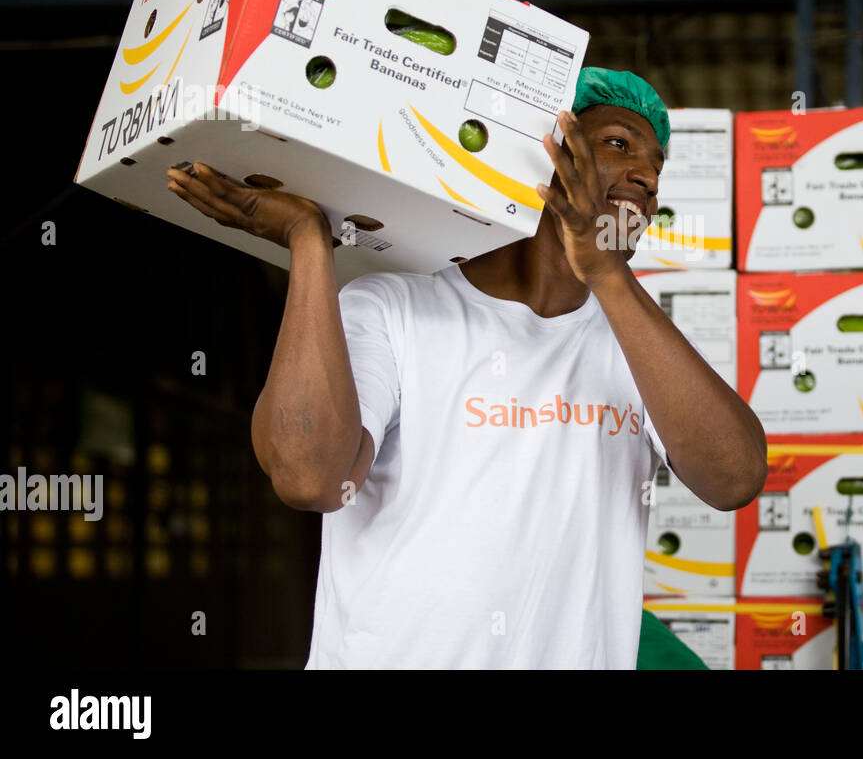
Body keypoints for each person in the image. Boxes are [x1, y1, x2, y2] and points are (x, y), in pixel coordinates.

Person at [164, 67, 767, 668]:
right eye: (618, 145)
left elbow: (735, 479)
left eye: (657, 167)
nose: (646, 176)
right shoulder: (395, 307)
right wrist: (307, 239)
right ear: (547, 156)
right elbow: (309, 477)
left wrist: (607, 273)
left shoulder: (637, 343)